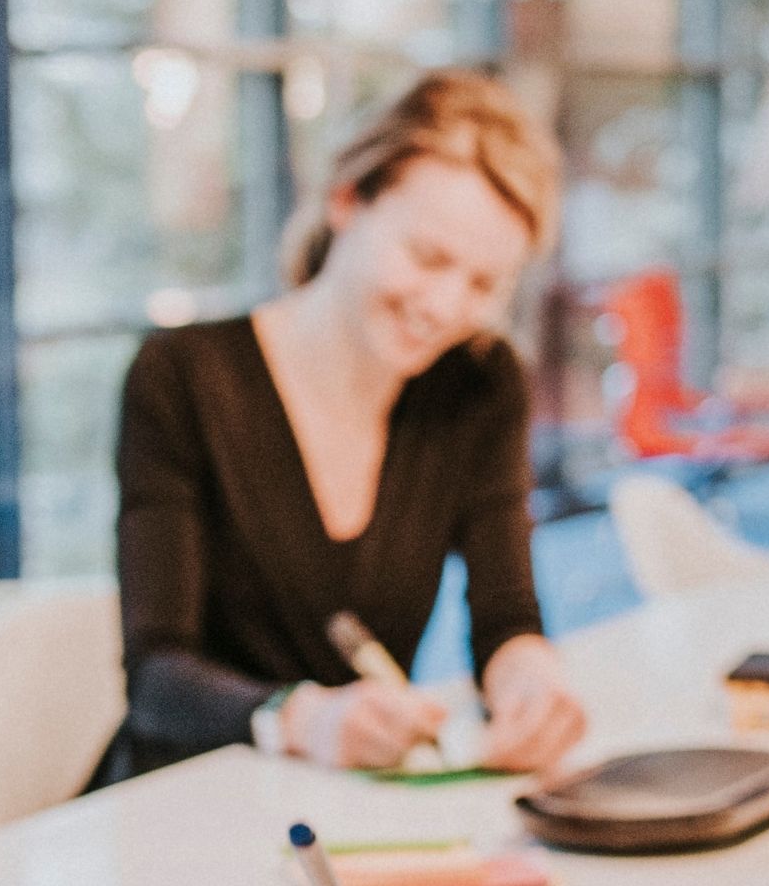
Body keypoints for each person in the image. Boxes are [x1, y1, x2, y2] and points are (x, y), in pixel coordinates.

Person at [99, 70, 588, 787]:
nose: (447, 307)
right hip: (180, 799)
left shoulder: (482, 385)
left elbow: (506, 614)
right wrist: (306, 718)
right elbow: (157, 679)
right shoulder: (182, 376)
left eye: (485, 284)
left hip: (352, 804)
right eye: (428, 258)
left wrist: (530, 681)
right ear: (345, 203)